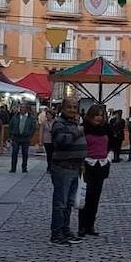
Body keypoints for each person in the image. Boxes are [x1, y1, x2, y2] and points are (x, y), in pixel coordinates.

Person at [49, 98, 86, 245]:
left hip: (74, 167)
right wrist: (78, 132)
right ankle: (56, 234)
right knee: (60, 203)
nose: (72, 109)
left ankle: (65, 230)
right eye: (69, 107)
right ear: (62, 108)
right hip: (63, 167)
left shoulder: (73, 123)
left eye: (75, 107)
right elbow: (62, 140)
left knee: (69, 202)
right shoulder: (59, 123)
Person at [79, 105, 112, 237]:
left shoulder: (106, 129)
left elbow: (111, 145)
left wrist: (108, 157)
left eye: (101, 115)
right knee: (86, 196)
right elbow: (80, 146)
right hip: (87, 164)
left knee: (95, 197)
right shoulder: (84, 128)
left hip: (101, 165)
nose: (99, 118)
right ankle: (82, 226)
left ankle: (90, 225)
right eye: (97, 115)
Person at [8, 103, 36, 173]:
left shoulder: (31, 118)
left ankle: (24, 167)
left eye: (23, 108)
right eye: (21, 107)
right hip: (16, 137)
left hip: (25, 138)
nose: (21, 109)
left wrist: (30, 136)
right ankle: (13, 168)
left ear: (27, 109)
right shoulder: (15, 117)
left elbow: (33, 128)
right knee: (14, 153)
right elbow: (10, 126)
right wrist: (11, 135)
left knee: (25, 153)